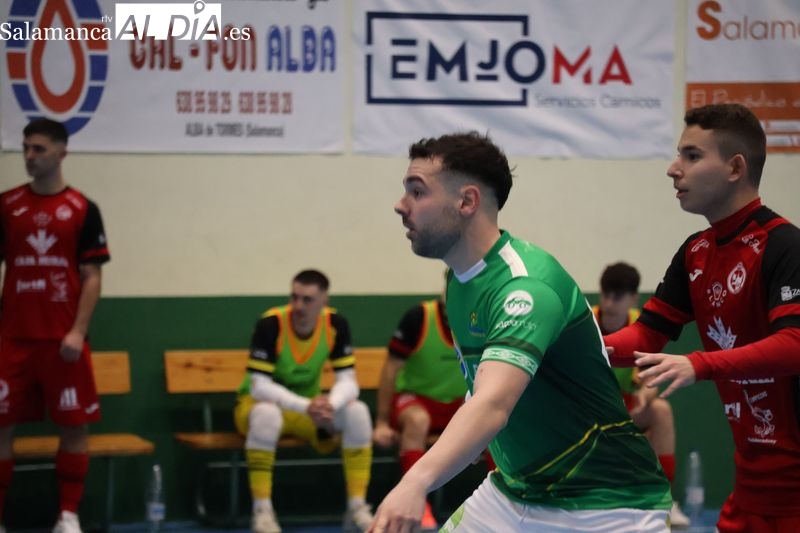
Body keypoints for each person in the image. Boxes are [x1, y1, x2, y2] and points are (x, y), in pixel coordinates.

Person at [372, 131, 672, 533]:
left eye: (417, 191)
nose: (400, 205)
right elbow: (485, 385)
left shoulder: (524, 286)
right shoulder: (460, 282)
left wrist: (415, 482)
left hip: (605, 503)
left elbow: (494, 404)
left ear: (467, 201)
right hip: (514, 492)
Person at [604, 103, 800, 533]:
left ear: (735, 168)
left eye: (691, 156)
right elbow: (646, 335)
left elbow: (795, 345)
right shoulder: (695, 251)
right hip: (748, 495)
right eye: (679, 154)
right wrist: (580, 347)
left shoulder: (786, 246)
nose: (673, 169)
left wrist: (699, 363)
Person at [0, 118, 110, 533]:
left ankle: (67, 516)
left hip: (62, 341)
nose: (30, 156)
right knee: (1, 427)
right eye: (26, 148)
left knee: (74, 426)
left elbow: (92, 276)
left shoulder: (83, 209)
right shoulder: (7, 205)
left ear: (62, 152)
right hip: (12, 339)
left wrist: (77, 331)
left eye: (39, 149)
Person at [234, 269, 374, 533]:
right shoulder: (271, 324)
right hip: (256, 406)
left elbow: (348, 381)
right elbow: (259, 386)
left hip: (307, 410)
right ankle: (262, 511)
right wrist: (307, 406)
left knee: (358, 412)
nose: (298, 306)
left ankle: (356, 508)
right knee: (266, 414)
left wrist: (330, 405)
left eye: (307, 299)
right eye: (294, 297)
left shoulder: (335, 324)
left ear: (324, 301)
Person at [593, 262, 690, 528]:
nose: (610, 302)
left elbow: (649, 379)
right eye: (606, 293)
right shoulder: (586, 322)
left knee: (661, 410)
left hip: (627, 409)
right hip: (589, 412)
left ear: (634, 298)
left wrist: (647, 395)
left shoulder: (642, 325)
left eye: (618, 296)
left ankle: (665, 501)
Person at [373, 293, 477, 531]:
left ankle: (506, 498)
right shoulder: (419, 318)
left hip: (457, 404)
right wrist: (381, 422)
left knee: (492, 421)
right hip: (418, 400)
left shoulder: (480, 317)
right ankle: (418, 503)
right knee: (417, 420)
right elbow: (390, 369)